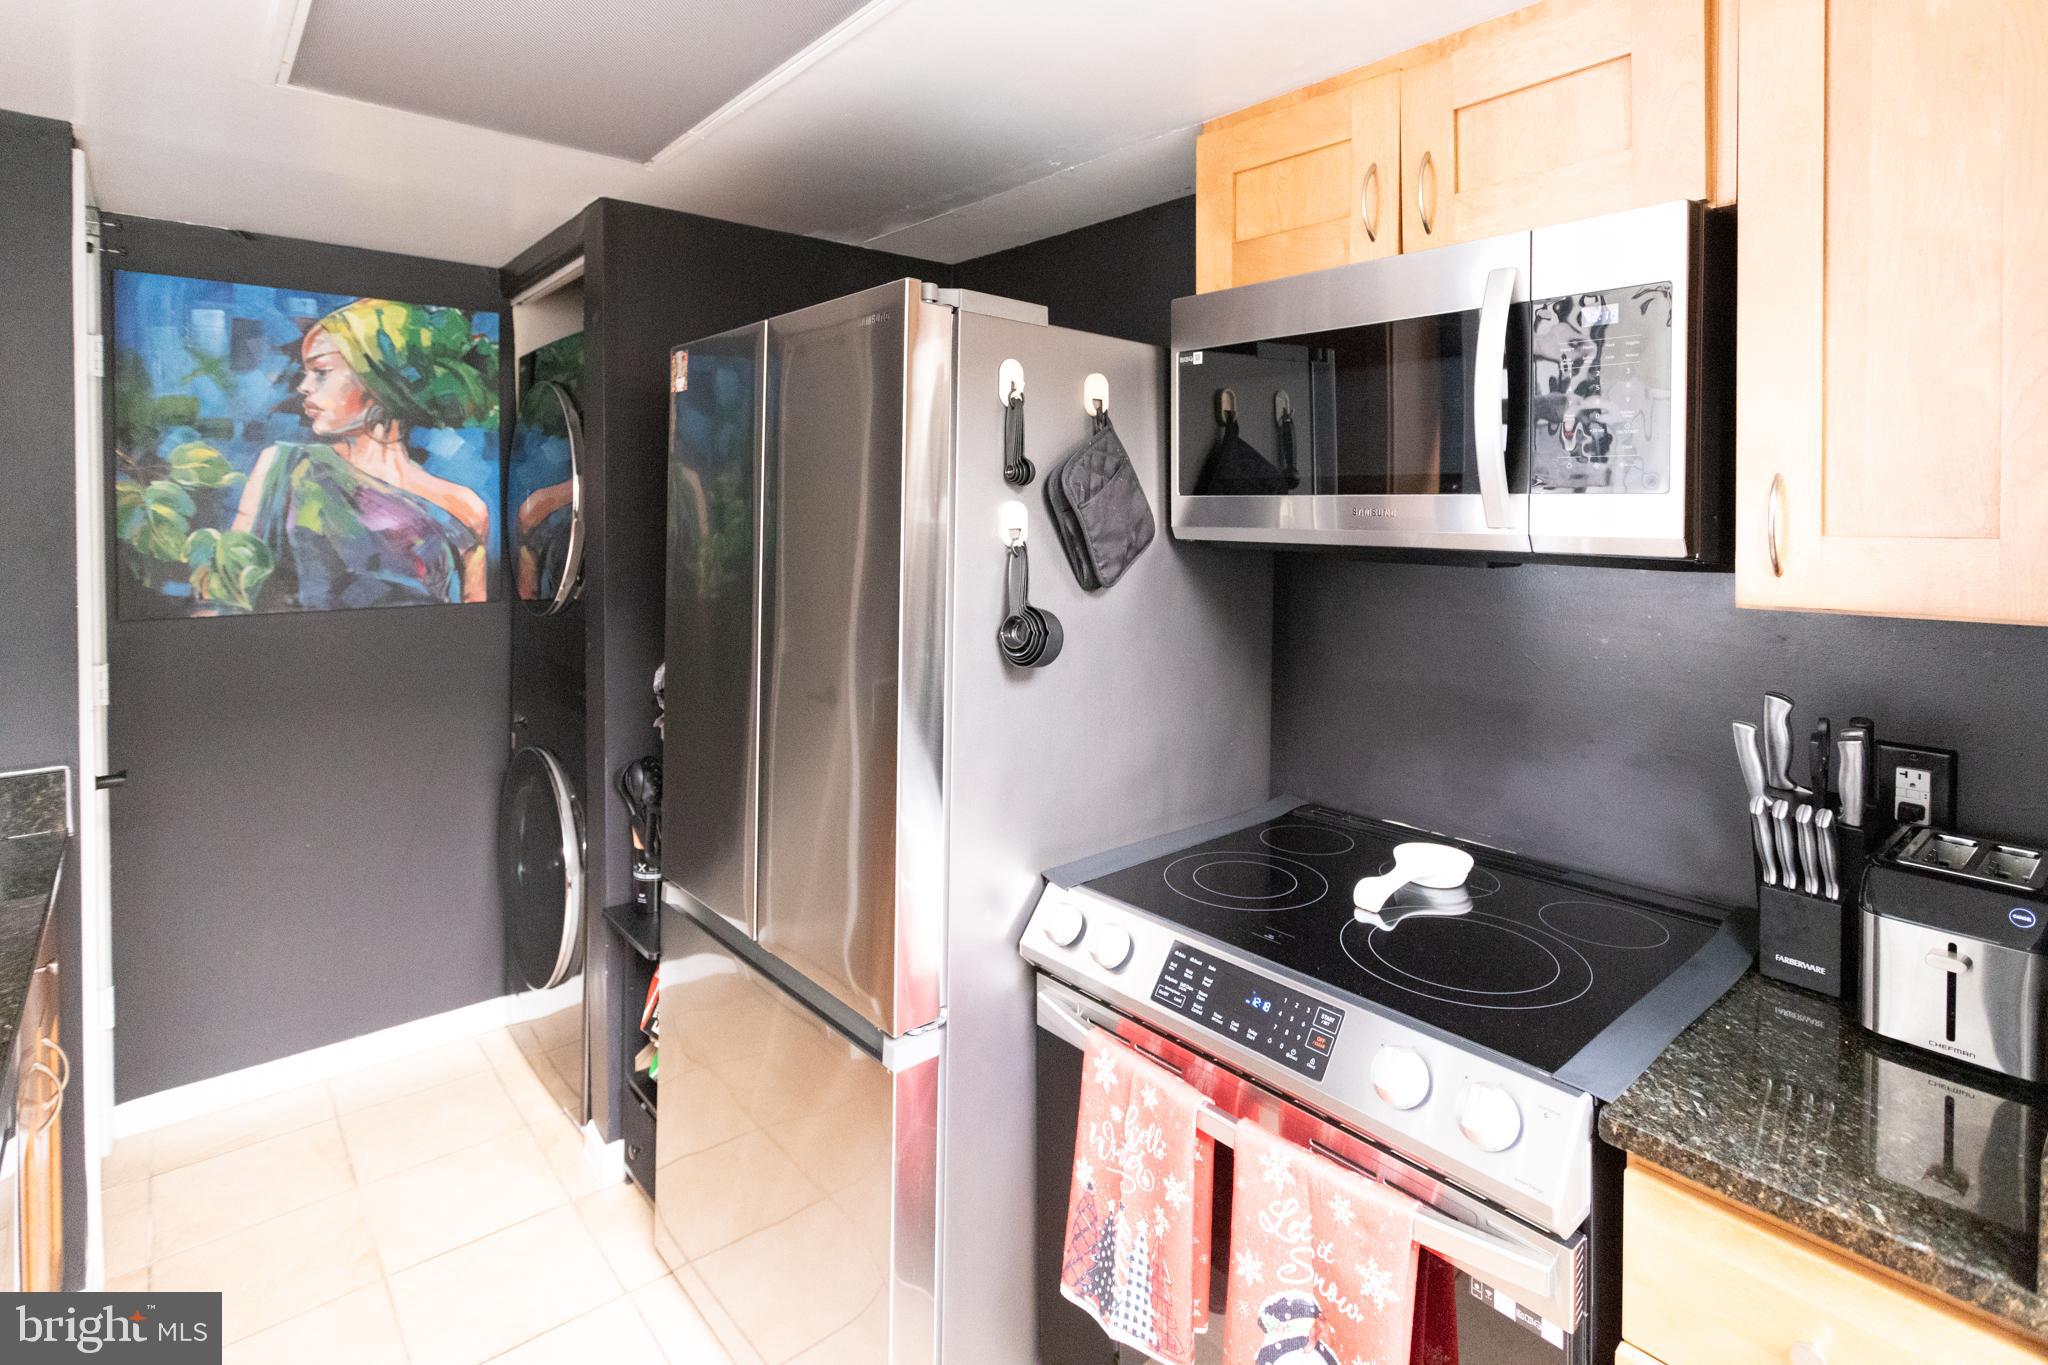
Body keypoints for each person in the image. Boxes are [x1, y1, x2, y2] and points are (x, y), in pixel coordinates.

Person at [230, 298, 496, 609]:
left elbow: (472, 619)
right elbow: (231, 583)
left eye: (321, 371)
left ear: (377, 377)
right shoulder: (283, 464)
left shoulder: (464, 508)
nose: (303, 386)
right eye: (306, 372)